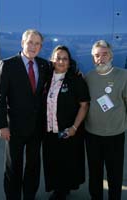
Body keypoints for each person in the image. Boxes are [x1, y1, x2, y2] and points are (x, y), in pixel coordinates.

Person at [0, 29, 49, 200]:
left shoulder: (44, 65)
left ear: (41, 47)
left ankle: (29, 196)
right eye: (30, 42)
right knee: (14, 167)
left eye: (37, 43)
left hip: (36, 128)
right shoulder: (8, 64)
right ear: (22, 43)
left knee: (33, 166)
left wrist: (76, 73)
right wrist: (2, 125)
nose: (33, 46)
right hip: (14, 128)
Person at [42, 45, 90, 200]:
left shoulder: (76, 80)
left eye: (65, 58)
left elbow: (84, 105)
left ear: (69, 62)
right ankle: (58, 187)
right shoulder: (46, 78)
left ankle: (61, 191)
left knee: (67, 161)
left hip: (69, 130)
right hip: (49, 130)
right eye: (58, 58)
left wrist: (75, 127)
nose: (61, 61)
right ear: (52, 60)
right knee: (52, 160)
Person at [85, 40, 127, 200]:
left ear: (111, 56)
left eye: (105, 54)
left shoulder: (123, 76)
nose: (101, 58)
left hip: (115, 135)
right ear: (93, 58)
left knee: (114, 174)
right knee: (95, 174)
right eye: (97, 55)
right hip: (92, 135)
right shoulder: (88, 77)